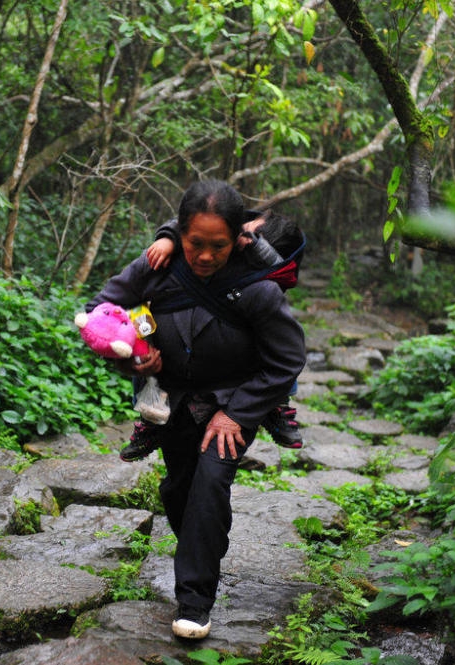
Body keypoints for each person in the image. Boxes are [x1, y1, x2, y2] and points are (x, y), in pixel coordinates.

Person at [86, 180, 305, 639]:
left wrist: (240, 414)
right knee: (180, 492)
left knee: (210, 484)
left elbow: (286, 358)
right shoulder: (157, 266)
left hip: (230, 403)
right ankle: (202, 549)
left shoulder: (257, 289)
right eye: (195, 244)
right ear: (179, 234)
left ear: (238, 238)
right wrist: (134, 354)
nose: (205, 256)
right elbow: (100, 311)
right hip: (173, 400)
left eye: (218, 246)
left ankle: (194, 602)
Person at [118, 209, 304, 463]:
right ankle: (150, 418)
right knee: (146, 343)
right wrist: (167, 239)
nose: (239, 230)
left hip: (240, 322)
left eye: (247, 229)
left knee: (275, 340)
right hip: (157, 313)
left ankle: (278, 405)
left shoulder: (262, 263)